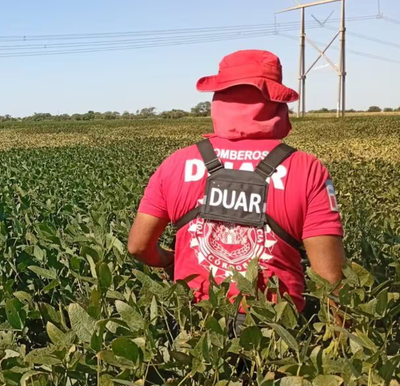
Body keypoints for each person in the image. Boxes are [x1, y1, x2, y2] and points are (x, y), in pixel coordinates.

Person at [127, 50, 346, 321]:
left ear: (219, 98)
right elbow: (330, 279)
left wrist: (169, 260)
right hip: (275, 329)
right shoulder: (306, 168)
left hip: (195, 326)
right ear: (276, 100)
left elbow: (138, 246)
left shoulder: (176, 163)